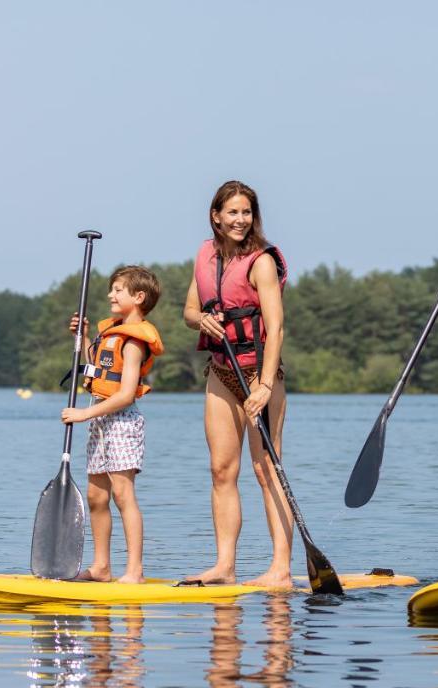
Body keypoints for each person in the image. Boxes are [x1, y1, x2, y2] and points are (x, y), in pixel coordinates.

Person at [183, 180, 293, 588]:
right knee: (221, 469)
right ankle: (225, 566)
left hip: (258, 373)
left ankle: (280, 569)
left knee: (267, 469)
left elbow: (277, 327)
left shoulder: (261, 261)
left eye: (246, 212)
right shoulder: (205, 255)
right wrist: (201, 320)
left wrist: (264, 385)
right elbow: (190, 309)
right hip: (221, 372)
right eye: (232, 212)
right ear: (216, 215)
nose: (240, 220)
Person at [61, 265, 165, 583]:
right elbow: (97, 366)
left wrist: (83, 415)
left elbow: (124, 394)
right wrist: (82, 335)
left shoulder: (134, 341)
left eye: (118, 289)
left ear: (139, 296)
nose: (111, 294)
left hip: (121, 422)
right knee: (96, 497)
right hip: (101, 420)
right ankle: (102, 567)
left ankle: (134, 570)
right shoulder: (111, 333)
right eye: (112, 288)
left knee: (123, 495)